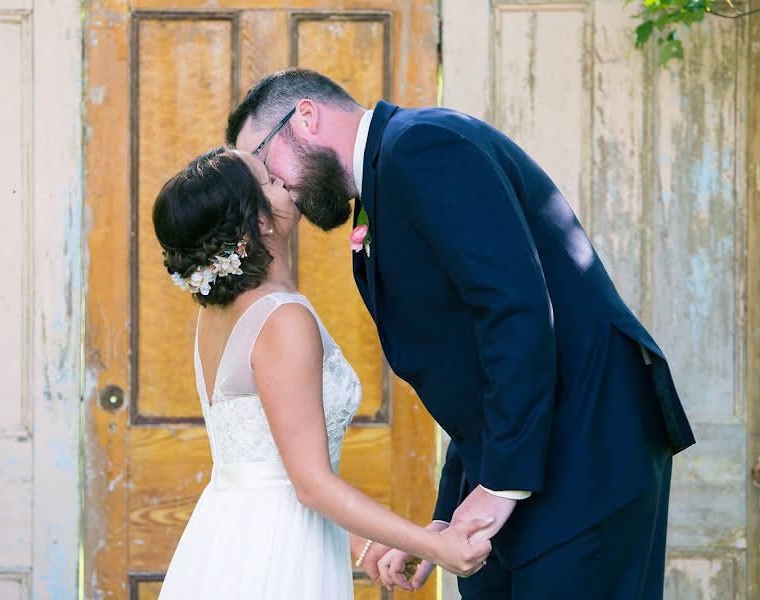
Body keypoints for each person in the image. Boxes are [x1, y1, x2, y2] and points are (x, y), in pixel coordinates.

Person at [226, 68, 696, 599]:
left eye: (265, 163)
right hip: (525, 463)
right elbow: (467, 374)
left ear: (305, 117)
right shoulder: (381, 190)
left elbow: (514, 308)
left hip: (589, 453)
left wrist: (497, 486)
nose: (275, 190)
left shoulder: (423, 147)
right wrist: (444, 521)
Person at [152, 146, 492, 600]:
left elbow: (276, 460)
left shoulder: (218, 313)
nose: (282, 177)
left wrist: (364, 540)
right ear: (258, 223)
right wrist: (434, 545)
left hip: (231, 530)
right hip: (277, 546)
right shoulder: (281, 318)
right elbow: (309, 482)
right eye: (269, 181)